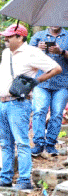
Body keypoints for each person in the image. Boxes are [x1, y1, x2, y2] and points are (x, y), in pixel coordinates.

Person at [0, 23, 61, 190]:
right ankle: (6, 177)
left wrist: (36, 81)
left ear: (20, 37)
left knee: (21, 143)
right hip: (1, 102)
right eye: (6, 36)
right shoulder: (5, 53)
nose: (6, 39)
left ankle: (24, 180)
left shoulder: (32, 52)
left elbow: (56, 68)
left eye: (9, 37)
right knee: (5, 143)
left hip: (18, 103)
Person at [29, 26, 68, 156]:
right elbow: (27, 56)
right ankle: (39, 143)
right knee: (39, 111)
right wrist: (37, 50)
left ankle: (51, 144)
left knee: (57, 114)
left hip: (62, 83)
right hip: (41, 81)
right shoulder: (39, 36)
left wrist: (61, 52)